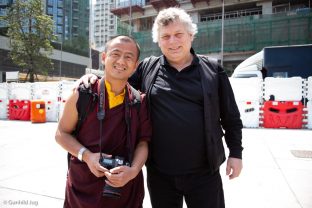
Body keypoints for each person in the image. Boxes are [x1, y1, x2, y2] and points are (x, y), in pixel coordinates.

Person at [79, 7, 243, 208]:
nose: (172, 42)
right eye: (165, 36)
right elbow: (118, 79)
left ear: (191, 35)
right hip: (160, 174)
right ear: (158, 40)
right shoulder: (148, 68)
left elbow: (231, 116)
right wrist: (94, 79)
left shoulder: (213, 70)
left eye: (178, 34)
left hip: (204, 173)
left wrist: (236, 153)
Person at [55, 35, 152, 208]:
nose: (121, 61)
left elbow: (143, 143)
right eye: (115, 53)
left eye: (129, 57)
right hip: (83, 187)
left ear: (135, 65)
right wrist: (87, 156)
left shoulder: (139, 101)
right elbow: (61, 134)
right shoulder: (83, 94)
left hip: (125, 189)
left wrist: (133, 171)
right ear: (104, 57)